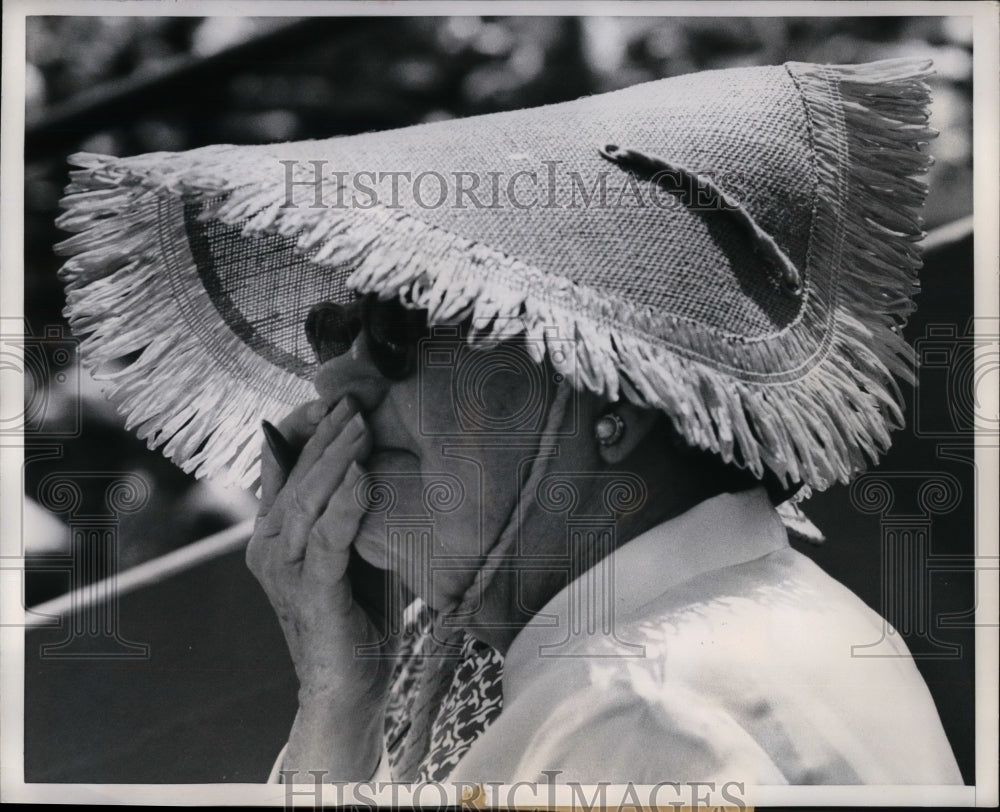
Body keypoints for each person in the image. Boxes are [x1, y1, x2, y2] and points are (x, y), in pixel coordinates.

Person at [56, 56, 961, 785]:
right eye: (334, 329)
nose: (333, 372)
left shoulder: (639, 710)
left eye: (398, 334)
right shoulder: (653, 652)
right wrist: (340, 699)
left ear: (613, 401)